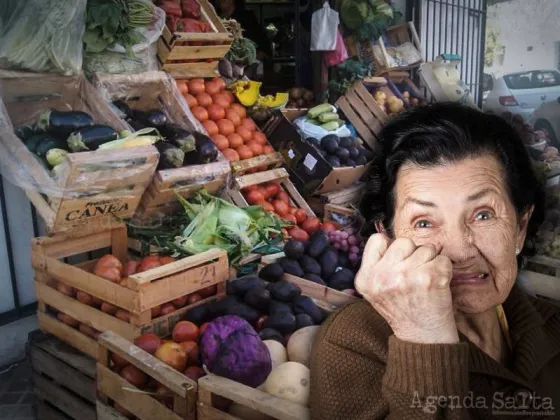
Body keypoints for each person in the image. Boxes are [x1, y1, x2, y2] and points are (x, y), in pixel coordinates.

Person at [310, 103, 560, 419]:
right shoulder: (352, 344)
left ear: (519, 230)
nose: (459, 251)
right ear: (387, 240)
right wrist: (425, 343)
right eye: (424, 222)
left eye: (483, 215)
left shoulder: (553, 326)